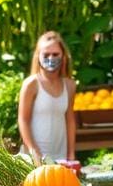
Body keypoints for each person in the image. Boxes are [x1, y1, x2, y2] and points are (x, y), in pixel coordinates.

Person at [18, 31, 77, 166]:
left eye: (55, 54)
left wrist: (71, 154)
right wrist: (34, 152)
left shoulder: (69, 85)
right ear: (38, 56)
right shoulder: (31, 84)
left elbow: (70, 120)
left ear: (63, 56)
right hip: (34, 159)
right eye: (46, 54)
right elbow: (23, 120)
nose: (51, 58)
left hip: (60, 157)